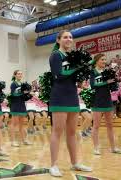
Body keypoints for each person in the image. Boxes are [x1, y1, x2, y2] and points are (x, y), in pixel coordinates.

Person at [49, 30, 92, 177]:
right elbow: (58, 75)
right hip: (59, 96)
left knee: (72, 133)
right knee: (57, 131)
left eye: (71, 37)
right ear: (58, 40)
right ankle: (53, 165)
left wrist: (82, 79)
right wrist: (76, 68)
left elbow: (73, 78)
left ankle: (75, 163)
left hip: (72, 96)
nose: (68, 39)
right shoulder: (56, 55)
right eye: (65, 37)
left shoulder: (73, 56)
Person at [90, 53, 121, 155]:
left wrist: (114, 83)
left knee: (110, 125)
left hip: (107, 100)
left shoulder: (107, 71)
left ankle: (113, 148)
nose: (104, 61)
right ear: (96, 61)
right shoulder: (93, 72)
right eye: (102, 60)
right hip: (97, 101)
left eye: (105, 60)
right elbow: (93, 85)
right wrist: (106, 82)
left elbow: (111, 86)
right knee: (96, 126)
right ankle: (96, 148)